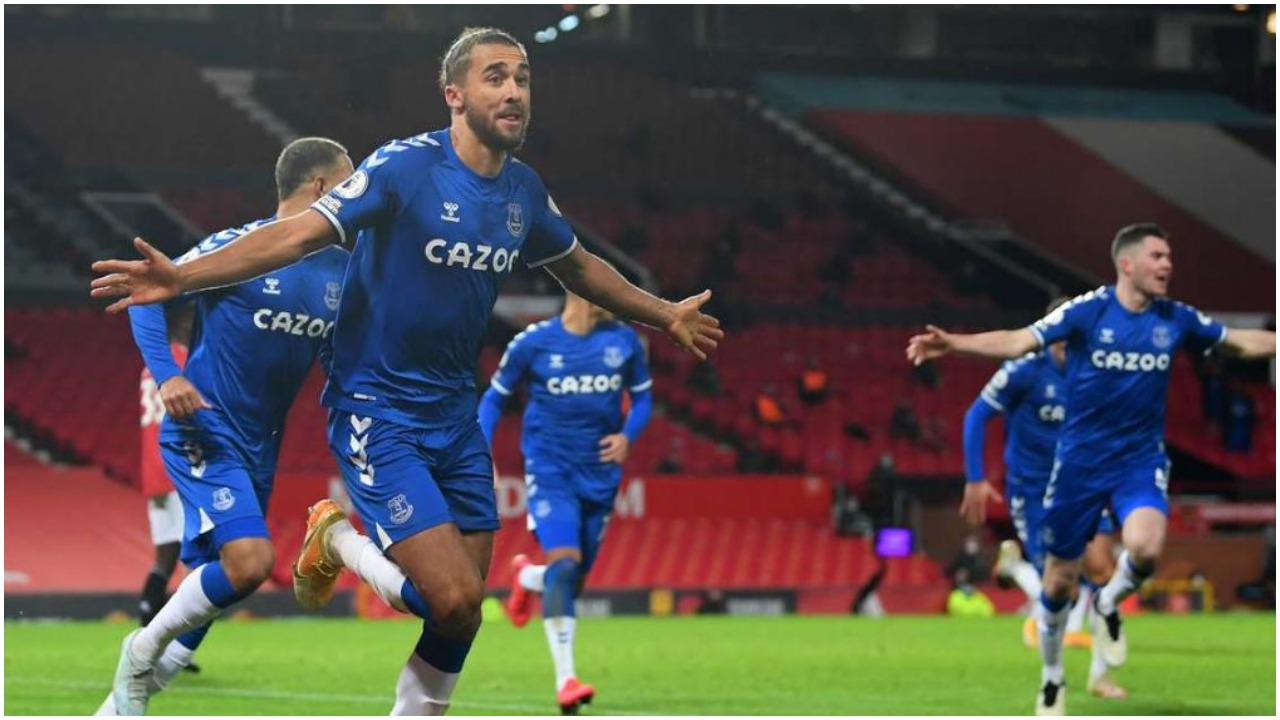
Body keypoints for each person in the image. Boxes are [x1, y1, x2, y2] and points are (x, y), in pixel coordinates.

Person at [91, 27, 722, 716]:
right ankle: (338, 541)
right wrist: (181, 277)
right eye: (495, 77)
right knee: (448, 595)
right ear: (455, 95)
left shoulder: (522, 192)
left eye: (522, 77)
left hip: (453, 415)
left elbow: (579, 267)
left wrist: (662, 313)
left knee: (462, 613)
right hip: (377, 409)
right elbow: (295, 234)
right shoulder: (403, 169)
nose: (513, 91)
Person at [907, 223, 1275, 715]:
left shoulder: (1176, 318)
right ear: (1127, 264)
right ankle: (1053, 679)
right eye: (1158, 256)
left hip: (1139, 461)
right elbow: (1019, 341)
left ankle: (1107, 603)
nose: (1168, 265)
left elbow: (1237, 342)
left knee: (1145, 548)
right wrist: (956, 343)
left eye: (1169, 257)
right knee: (1059, 581)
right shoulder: (1087, 312)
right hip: (1078, 465)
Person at [93, 137, 354, 715]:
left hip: (262, 447)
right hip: (204, 430)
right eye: (349, 182)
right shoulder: (239, 247)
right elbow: (148, 297)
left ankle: (112, 709)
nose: (358, 196)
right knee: (251, 563)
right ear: (320, 189)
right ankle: (137, 649)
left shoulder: (344, 270)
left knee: (221, 583)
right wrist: (167, 376)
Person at [477, 290, 653, 712]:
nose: (613, 292)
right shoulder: (533, 343)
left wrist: (628, 436)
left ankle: (527, 579)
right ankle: (566, 679)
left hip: (600, 475)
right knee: (567, 562)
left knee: (570, 578)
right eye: (600, 284)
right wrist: (480, 459)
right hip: (550, 470)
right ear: (578, 291)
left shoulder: (622, 341)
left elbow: (644, 398)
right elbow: (492, 400)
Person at [960, 300, 1124, 698]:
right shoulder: (1024, 372)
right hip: (1033, 492)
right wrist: (976, 478)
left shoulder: (1098, 376)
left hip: (1082, 485)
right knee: (1059, 586)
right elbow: (977, 415)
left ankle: (1100, 675)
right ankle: (1053, 674)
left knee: (1104, 571)